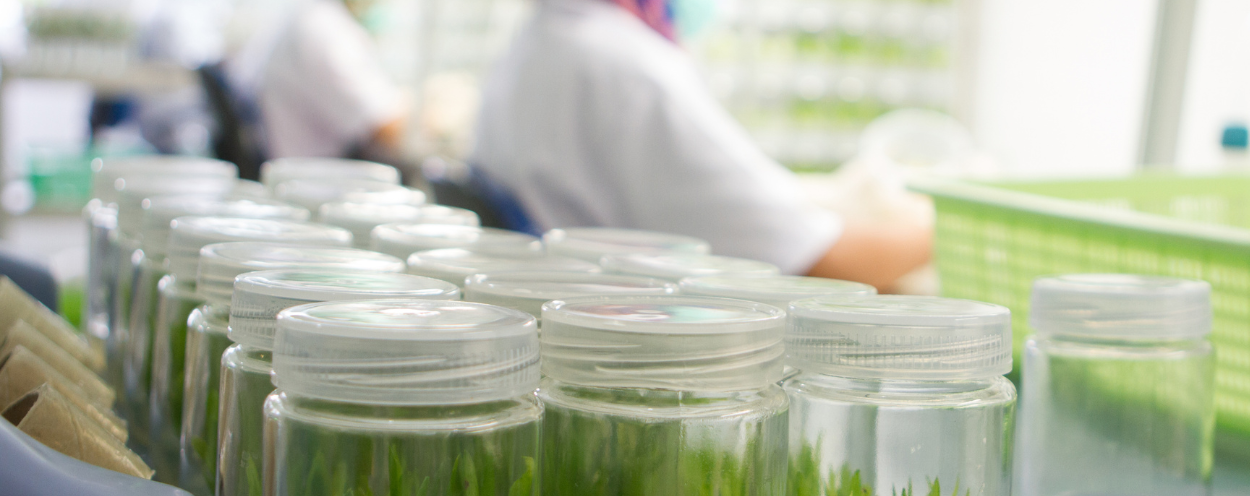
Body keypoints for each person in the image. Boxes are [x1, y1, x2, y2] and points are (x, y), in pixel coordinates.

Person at [470, 0, 932, 290]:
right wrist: (938, 229)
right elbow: (811, 263)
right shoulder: (626, 69)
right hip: (633, 344)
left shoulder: (544, 38)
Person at [228, 0, 405, 161]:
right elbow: (384, 127)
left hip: (304, 168)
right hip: (313, 177)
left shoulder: (308, 17)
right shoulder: (324, 30)